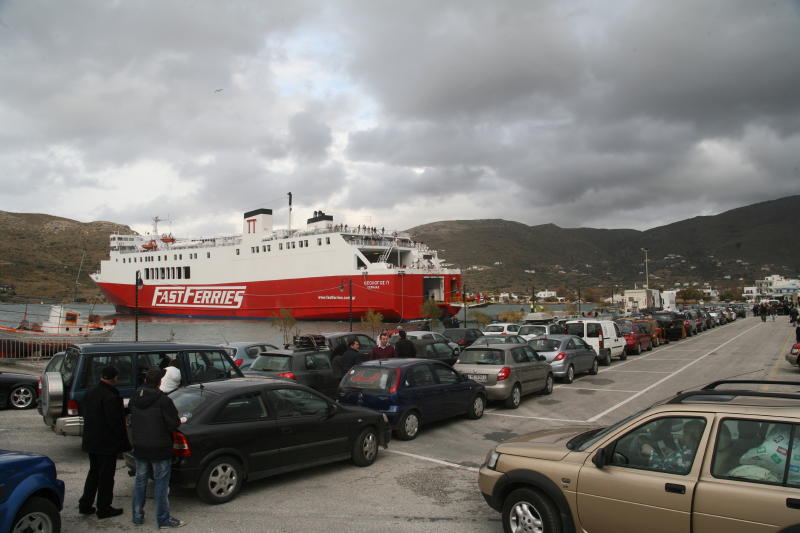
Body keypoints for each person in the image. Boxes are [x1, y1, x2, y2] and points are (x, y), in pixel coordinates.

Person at [130, 368, 185, 528]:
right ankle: (163, 519)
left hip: (140, 446)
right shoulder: (163, 400)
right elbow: (173, 423)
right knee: (161, 484)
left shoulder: (135, 397)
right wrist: (181, 420)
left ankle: (137, 516)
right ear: (160, 382)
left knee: (140, 481)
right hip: (160, 448)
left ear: (145, 380)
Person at [79, 365, 130, 519]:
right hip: (106, 444)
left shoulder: (90, 393)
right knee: (106, 477)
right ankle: (104, 508)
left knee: (94, 473)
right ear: (114, 378)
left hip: (91, 441)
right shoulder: (111, 396)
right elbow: (115, 423)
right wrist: (123, 443)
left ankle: (85, 504)